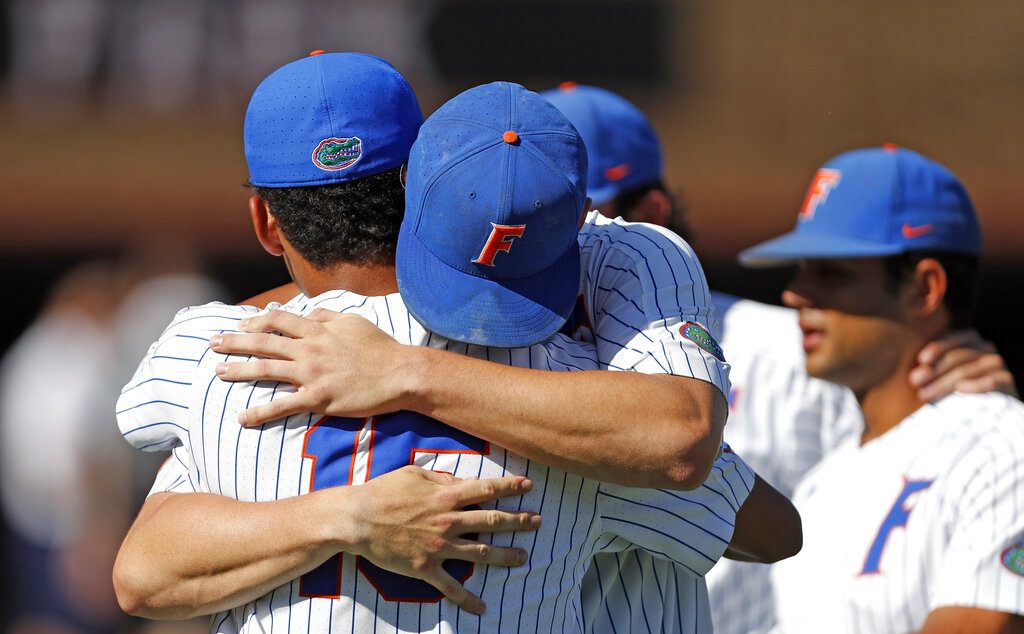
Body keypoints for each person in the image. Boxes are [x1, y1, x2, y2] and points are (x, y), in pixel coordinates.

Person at [114, 53, 784, 631]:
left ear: (264, 221)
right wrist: (356, 514)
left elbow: (140, 576)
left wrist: (341, 504)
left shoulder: (218, 351)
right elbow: (769, 524)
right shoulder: (564, 390)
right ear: (423, 186)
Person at [540, 82, 1020, 634]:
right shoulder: (830, 480)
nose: (798, 294)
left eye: (833, 272)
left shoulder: (786, 353)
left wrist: (987, 408)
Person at [737, 145, 1024, 632]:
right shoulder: (819, 481)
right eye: (803, 267)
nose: (795, 293)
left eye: (832, 272)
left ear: (924, 289)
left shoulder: (1000, 446)